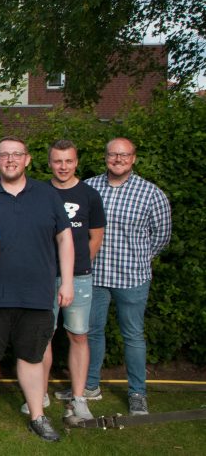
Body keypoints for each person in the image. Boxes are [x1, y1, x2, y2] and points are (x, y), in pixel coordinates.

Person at [0, 137, 74, 443]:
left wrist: (66, 282)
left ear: (27, 159)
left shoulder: (47, 194)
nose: (10, 160)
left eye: (16, 154)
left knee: (32, 357)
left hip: (38, 294)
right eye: (4, 155)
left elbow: (65, 239)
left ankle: (37, 416)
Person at [83, 137, 171, 416]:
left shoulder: (151, 193)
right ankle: (91, 386)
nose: (118, 159)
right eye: (113, 154)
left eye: (124, 155)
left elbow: (162, 237)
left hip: (132, 278)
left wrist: (140, 259)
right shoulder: (90, 187)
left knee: (132, 336)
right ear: (105, 157)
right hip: (96, 275)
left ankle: (137, 393)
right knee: (91, 333)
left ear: (133, 158)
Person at [40, 140, 105, 423]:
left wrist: (77, 267)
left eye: (68, 161)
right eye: (57, 161)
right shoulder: (39, 193)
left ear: (76, 162)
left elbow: (96, 237)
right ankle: (39, 393)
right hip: (43, 276)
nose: (63, 166)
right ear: (49, 162)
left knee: (78, 335)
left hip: (79, 277)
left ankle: (79, 398)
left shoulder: (90, 195)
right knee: (42, 337)